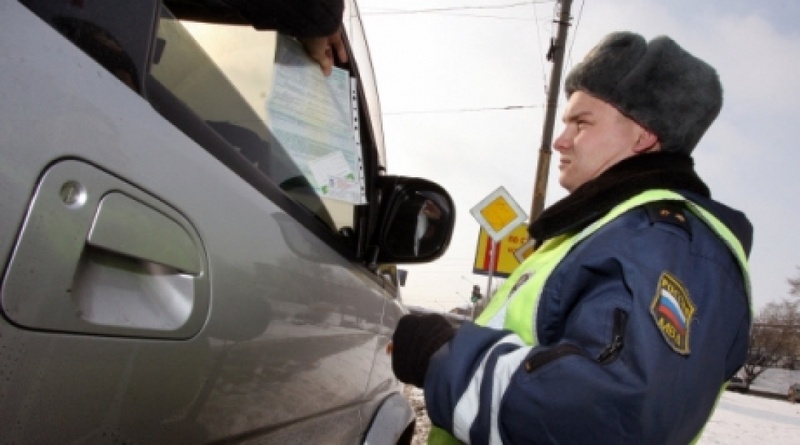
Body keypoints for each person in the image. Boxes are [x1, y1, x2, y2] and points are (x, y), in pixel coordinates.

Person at [390, 31, 752, 444]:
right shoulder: (604, 233)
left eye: (581, 123)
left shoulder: (662, 242)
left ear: (644, 135)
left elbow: (609, 416)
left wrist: (442, 356)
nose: (560, 140)